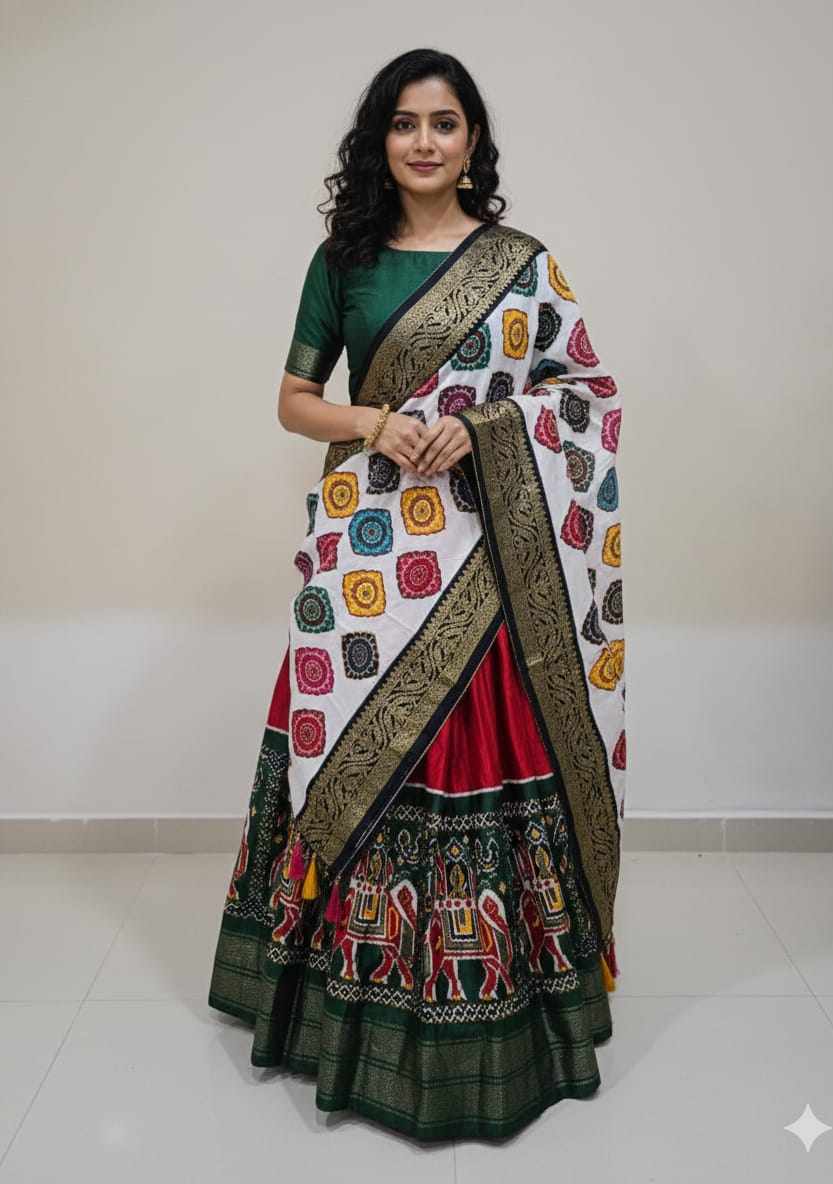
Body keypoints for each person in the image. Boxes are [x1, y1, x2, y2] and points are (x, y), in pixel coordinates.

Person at [208, 46, 626, 1142]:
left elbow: (585, 397)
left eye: (445, 122)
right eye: (404, 123)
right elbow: (295, 400)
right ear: (379, 140)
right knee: (349, 745)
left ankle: (505, 1018)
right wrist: (376, 422)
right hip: (371, 551)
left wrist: (484, 427)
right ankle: (332, 1016)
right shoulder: (343, 261)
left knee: (475, 748)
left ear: (473, 139)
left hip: (492, 557)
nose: (425, 141)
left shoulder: (524, 266)